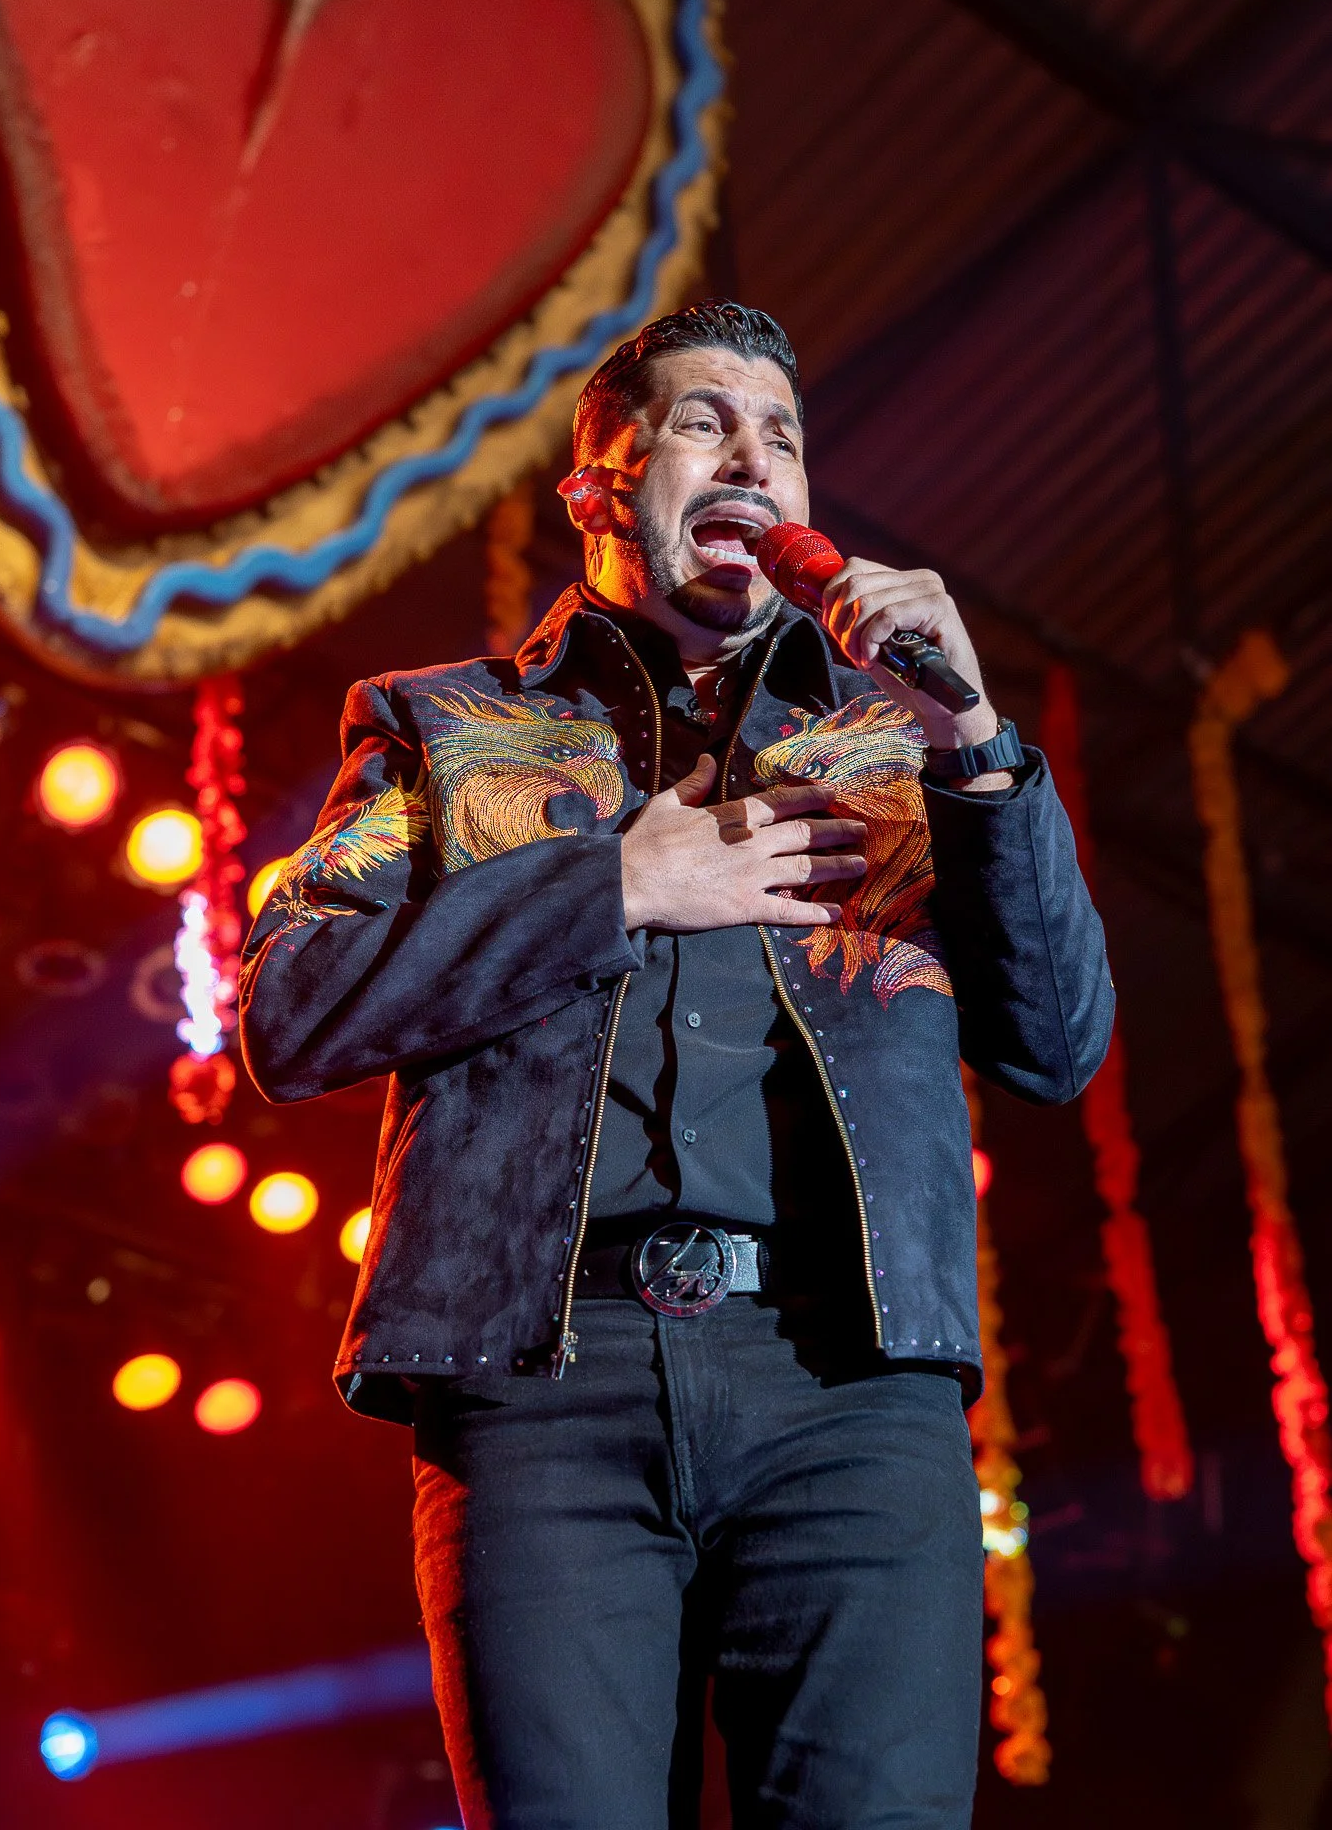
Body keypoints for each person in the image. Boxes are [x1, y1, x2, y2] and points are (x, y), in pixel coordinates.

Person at [240, 302, 1113, 1829]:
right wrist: (616, 886)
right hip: (539, 1387)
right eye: (708, 424)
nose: (753, 459)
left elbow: (1057, 1044)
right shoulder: (450, 729)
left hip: (849, 1385)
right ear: (597, 487)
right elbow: (293, 1009)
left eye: (780, 437)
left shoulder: (894, 745)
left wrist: (978, 744)